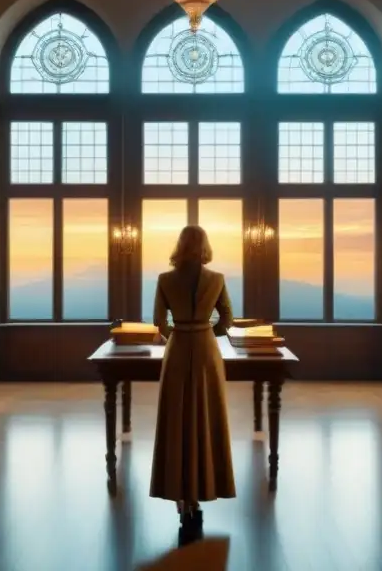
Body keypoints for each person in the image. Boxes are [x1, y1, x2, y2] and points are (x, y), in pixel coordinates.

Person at [149, 225, 236, 534]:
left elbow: (159, 322)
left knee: (177, 420)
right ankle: (201, 492)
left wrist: (180, 332)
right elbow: (227, 320)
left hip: (177, 352)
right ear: (205, 246)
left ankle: (181, 496)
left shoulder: (164, 280)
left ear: (180, 246)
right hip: (206, 352)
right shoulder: (217, 280)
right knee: (205, 417)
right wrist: (203, 332)